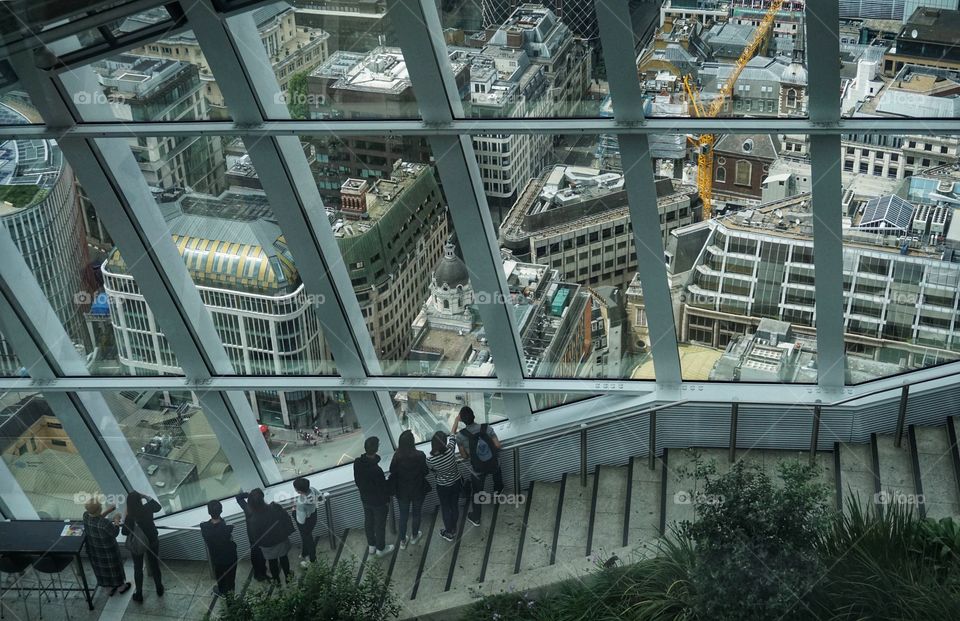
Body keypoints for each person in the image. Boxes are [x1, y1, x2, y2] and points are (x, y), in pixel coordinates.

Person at [453, 406, 503, 527]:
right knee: (497, 470)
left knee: (477, 493)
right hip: (493, 464)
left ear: (462, 421)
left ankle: (476, 518)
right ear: (474, 416)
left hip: (478, 470)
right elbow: (497, 446)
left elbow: (464, 456)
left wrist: (455, 421)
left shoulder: (460, 436)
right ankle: (498, 492)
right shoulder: (487, 428)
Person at [238, 489, 294, 585]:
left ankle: (276, 580)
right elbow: (286, 519)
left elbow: (238, 498)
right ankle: (288, 578)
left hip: (266, 544)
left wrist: (248, 495)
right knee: (284, 558)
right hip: (280, 539)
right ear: (263, 498)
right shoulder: (274, 507)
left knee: (272, 562)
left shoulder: (251, 514)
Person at [353, 436, 394, 557]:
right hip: (378, 503)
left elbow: (358, 481)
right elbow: (382, 488)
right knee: (379, 525)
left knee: (369, 522)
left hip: (365, 499)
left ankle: (372, 545)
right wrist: (386, 500)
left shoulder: (357, 463)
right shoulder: (376, 470)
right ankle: (381, 548)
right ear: (376, 449)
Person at [82, 497, 130, 596]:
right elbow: (115, 533)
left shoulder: (86, 516)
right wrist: (117, 520)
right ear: (99, 509)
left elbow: (96, 518)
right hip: (109, 552)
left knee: (102, 570)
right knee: (114, 568)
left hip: (95, 551)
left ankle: (109, 588)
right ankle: (121, 587)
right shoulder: (105, 523)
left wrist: (108, 511)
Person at [122, 491, 164, 603]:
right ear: (140, 500)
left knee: (138, 567)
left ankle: (139, 594)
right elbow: (158, 507)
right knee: (154, 564)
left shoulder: (130, 517)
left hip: (137, 543)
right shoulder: (148, 508)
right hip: (152, 540)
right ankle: (159, 588)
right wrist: (145, 496)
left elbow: (124, 532)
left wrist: (125, 515)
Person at [389, 430, 428, 549]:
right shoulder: (420, 455)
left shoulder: (397, 456)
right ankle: (414, 536)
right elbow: (425, 471)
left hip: (402, 492)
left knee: (403, 516)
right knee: (416, 514)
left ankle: (402, 541)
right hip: (418, 490)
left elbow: (392, 471)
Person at [426, 431, 463, 542]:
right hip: (456, 482)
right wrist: (455, 422)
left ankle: (449, 532)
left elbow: (432, 471)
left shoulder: (430, 460)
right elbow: (453, 437)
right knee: (454, 505)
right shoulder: (450, 451)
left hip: (443, 487)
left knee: (446, 508)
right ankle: (454, 527)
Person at [200, 500, 238, 596]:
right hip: (231, 557)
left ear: (209, 512)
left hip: (217, 558)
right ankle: (231, 595)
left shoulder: (204, 527)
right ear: (221, 511)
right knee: (231, 578)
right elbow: (226, 530)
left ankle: (221, 590)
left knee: (220, 576)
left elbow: (206, 526)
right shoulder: (228, 528)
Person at [235, 489, 268, 581]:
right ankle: (262, 572)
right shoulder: (265, 509)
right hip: (263, 537)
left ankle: (258, 572)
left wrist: (249, 495)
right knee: (261, 556)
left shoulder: (247, 508)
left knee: (255, 554)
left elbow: (238, 497)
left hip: (252, 536)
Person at [292, 477, 324, 567]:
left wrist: (294, 511)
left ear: (299, 491)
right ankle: (304, 553)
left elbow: (301, 520)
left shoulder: (301, 503)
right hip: (313, 516)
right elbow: (321, 497)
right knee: (305, 537)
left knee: (308, 539)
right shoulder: (312, 489)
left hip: (305, 523)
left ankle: (313, 560)